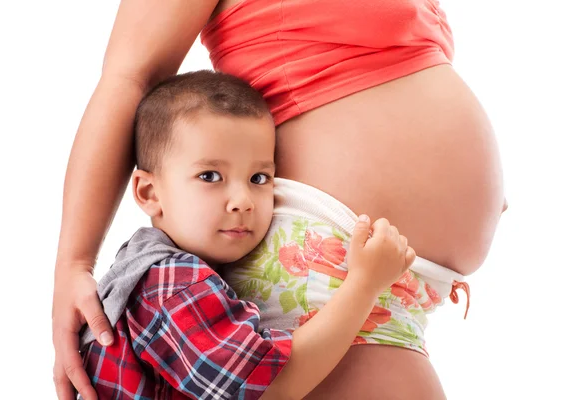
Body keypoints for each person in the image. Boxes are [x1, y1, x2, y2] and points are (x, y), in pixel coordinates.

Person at [53, 1, 508, 399]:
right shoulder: (172, 284)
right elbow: (131, 75)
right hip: (323, 264)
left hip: (390, 277)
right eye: (209, 176)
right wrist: (74, 264)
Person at [77, 70, 415, 399]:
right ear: (150, 193)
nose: (242, 201)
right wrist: (364, 284)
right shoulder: (172, 284)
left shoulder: (155, 270)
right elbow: (268, 389)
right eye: (210, 176)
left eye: (258, 178)